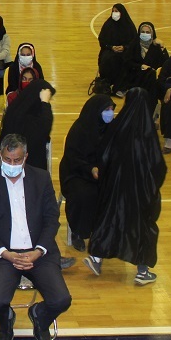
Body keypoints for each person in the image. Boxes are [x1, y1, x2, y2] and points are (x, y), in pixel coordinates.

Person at [0, 133, 71, 340]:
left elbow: (51, 219)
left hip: (38, 252)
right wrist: (6, 254)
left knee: (61, 300)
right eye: (7, 159)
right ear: (0, 155)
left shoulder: (41, 179)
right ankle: (5, 320)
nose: (12, 165)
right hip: (4, 254)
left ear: (26, 157)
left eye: (17, 160)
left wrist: (38, 251)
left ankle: (40, 316)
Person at [83, 88, 165, 286]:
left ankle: (97, 257)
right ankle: (142, 271)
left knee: (110, 219)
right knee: (142, 227)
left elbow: (104, 154)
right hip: (140, 191)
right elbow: (157, 164)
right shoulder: (147, 132)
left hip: (115, 188)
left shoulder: (117, 126)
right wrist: (153, 186)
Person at [60, 94, 116, 251]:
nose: (110, 113)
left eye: (111, 109)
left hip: (103, 173)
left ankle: (106, 232)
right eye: (106, 109)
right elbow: (72, 158)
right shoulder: (80, 130)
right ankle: (78, 232)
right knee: (84, 194)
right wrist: (90, 168)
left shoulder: (112, 129)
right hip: (77, 173)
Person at [0, 79, 55, 173]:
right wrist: (45, 103)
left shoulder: (16, 108)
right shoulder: (30, 118)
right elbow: (44, 127)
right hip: (27, 169)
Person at [123, 21, 168, 108]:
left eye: (148, 32)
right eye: (143, 32)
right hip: (135, 76)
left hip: (152, 79)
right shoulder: (134, 45)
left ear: (152, 33)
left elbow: (165, 63)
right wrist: (140, 66)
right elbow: (127, 62)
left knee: (151, 75)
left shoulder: (156, 47)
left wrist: (162, 48)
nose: (145, 34)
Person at [96, 3, 136, 96]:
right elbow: (102, 40)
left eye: (116, 11)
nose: (114, 13)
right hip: (110, 50)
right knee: (107, 59)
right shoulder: (108, 24)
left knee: (124, 60)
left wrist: (124, 47)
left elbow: (133, 41)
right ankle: (106, 83)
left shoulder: (128, 26)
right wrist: (111, 47)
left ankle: (120, 87)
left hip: (125, 51)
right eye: (113, 11)